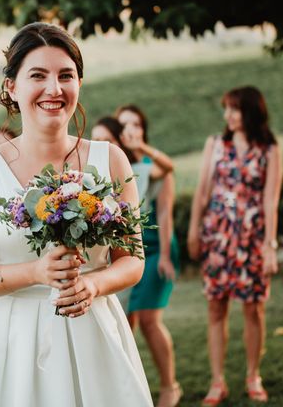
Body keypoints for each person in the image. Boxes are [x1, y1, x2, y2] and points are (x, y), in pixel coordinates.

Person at [0, 22, 153, 406]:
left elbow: (132, 260)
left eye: (66, 75)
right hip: (8, 344)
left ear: (79, 84)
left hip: (93, 332)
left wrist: (94, 285)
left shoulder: (111, 159)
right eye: (38, 75)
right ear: (12, 87)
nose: (54, 89)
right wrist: (35, 273)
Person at [188, 86, 282, 405]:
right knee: (216, 307)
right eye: (226, 109)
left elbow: (271, 201)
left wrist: (270, 245)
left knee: (253, 307)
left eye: (234, 109)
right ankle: (218, 382)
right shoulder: (215, 145)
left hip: (252, 237)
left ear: (250, 112)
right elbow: (202, 192)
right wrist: (193, 232)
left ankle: (253, 376)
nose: (227, 115)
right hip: (218, 235)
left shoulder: (269, 149)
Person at [110, 109, 183, 407]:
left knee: (151, 320)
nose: (130, 129)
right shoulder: (117, 166)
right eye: (124, 125)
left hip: (155, 250)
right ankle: (128, 389)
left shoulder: (151, 167)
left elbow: (165, 214)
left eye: (136, 124)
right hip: (127, 251)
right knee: (124, 322)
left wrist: (166, 255)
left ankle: (170, 386)